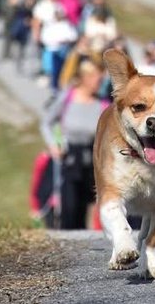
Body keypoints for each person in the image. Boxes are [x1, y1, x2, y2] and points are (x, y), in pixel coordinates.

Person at [40, 59, 108, 229]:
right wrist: (53, 145)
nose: (100, 84)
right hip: (68, 157)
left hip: (91, 159)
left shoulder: (103, 104)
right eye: (97, 79)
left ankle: (80, 244)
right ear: (86, 77)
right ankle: (66, 239)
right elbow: (46, 123)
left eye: (101, 80)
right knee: (69, 205)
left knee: (85, 206)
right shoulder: (68, 97)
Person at [40, 6, 78, 94]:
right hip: (52, 49)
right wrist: (55, 41)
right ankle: (54, 87)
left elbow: (73, 36)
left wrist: (65, 40)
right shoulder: (49, 25)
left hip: (64, 49)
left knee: (64, 69)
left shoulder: (67, 25)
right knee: (54, 69)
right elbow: (45, 38)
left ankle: (61, 86)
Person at [3, 0, 37, 73]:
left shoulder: (36, 8)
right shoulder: (20, 7)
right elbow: (11, 17)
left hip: (31, 32)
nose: (30, 0)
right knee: (19, 50)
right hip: (20, 32)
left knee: (30, 51)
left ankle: (28, 68)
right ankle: (18, 66)